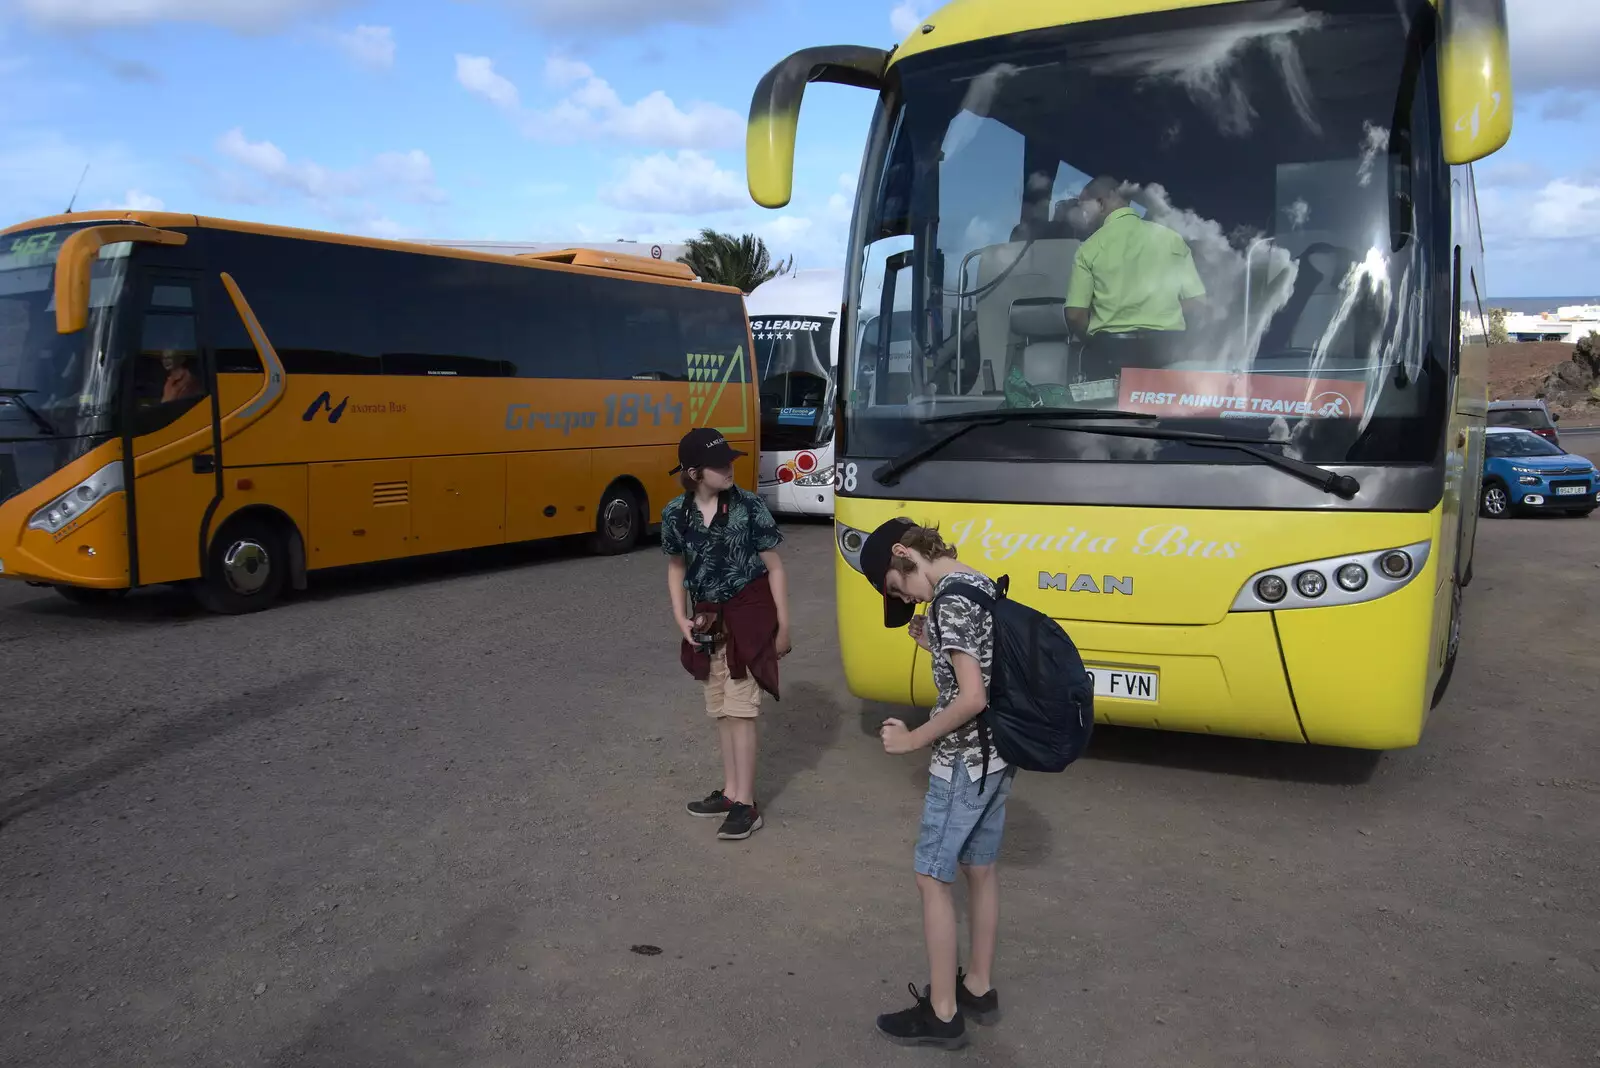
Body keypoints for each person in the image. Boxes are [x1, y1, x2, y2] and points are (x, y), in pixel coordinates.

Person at [858, 517, 1012, 1051]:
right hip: (998, 757)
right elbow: (983, 670)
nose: (910, 600)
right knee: (980, 868)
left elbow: (972, 698)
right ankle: (978, 986)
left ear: (904, 553)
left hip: (963, 761)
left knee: (931, 877)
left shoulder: (949, 600)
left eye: (899, 588)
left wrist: (914, 738)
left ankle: (944, 1014)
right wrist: (936, 646)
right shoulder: (976, 582)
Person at [661, 427, 791, 842]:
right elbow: (676, 567)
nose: (730, 468)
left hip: (749, 614)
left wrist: (783, 625)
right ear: (694, 472)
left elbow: (775, 567)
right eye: (720, 464)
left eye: (730, 460)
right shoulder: (675, 514)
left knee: (742, 708)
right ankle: (732, 792)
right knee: (720, 707)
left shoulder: (749, 506)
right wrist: (679, 616)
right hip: (705, 619)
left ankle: (747, 805)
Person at [1065, 175, 1206, 381]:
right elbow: (1197, 303)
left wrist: (1097, 340)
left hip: (1110, 360)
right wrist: (1160, 316)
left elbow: (1075, 315)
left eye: (1084, 208)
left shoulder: (1088, 248)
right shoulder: (1171, 239)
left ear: (1101, 203)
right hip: (1168, 358)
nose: (1082, 216)